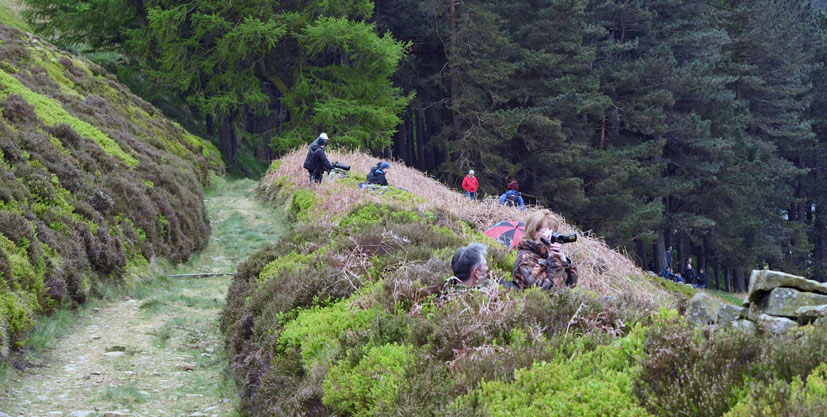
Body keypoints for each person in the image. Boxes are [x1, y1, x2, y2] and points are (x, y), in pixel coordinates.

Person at [512, 209, 577, 290]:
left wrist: (564, 262)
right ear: (534, 233)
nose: (552, 236)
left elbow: (571, 285)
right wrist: (553, 259)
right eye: (548, 232)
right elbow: (546, 291)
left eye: (554, 232)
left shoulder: (548, 254)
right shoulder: (525, 258)